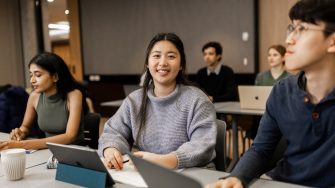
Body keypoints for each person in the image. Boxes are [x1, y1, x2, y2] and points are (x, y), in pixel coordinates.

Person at [206, 0, 335, 187]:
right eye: (291, 28)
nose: (289, 39)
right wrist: (236, 177)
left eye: (302, 29)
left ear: (332, 41)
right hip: (282, 181)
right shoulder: (282, 91)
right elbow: (261, 149)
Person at [98, 33, 217, 170]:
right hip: (150, 174)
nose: (163, 62)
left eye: (171, 56)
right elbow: (113, 132)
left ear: (181, 65)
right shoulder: (134, 100)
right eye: (156, 56)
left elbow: (202, 145)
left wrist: (165, 161)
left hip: (194, 174)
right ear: (147, 64)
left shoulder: (197, 99)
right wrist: (111, 149)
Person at [0, 52, 87, 150]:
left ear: (55, 77)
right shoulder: (34, 97)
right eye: (31, 75)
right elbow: (26, 126)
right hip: (48, 151)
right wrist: (20, 132)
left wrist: (23, 145)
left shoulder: (74, 95)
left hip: (75, 152)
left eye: (38, 75)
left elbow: (70, 136)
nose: (32, 80)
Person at [246, 45, 291, 140]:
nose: (271, 58)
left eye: (275, 55)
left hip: (282, 116)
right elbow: (255, 97)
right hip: (262, 114)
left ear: (283, 57)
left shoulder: (290, 78)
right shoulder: (261, 76)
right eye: (269, 55)